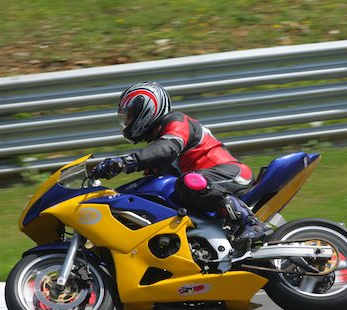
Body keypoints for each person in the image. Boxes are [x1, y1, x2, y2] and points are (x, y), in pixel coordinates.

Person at [92, 82, 272, 244]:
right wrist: (115, 196)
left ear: (146, 110)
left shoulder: (176, 122)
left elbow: (168, 147)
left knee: (188, 181)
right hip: (205, 187)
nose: (128, 122)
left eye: (130, 116)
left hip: (231, 174)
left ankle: (250, 223)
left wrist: (125, 163)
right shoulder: (157, 153)